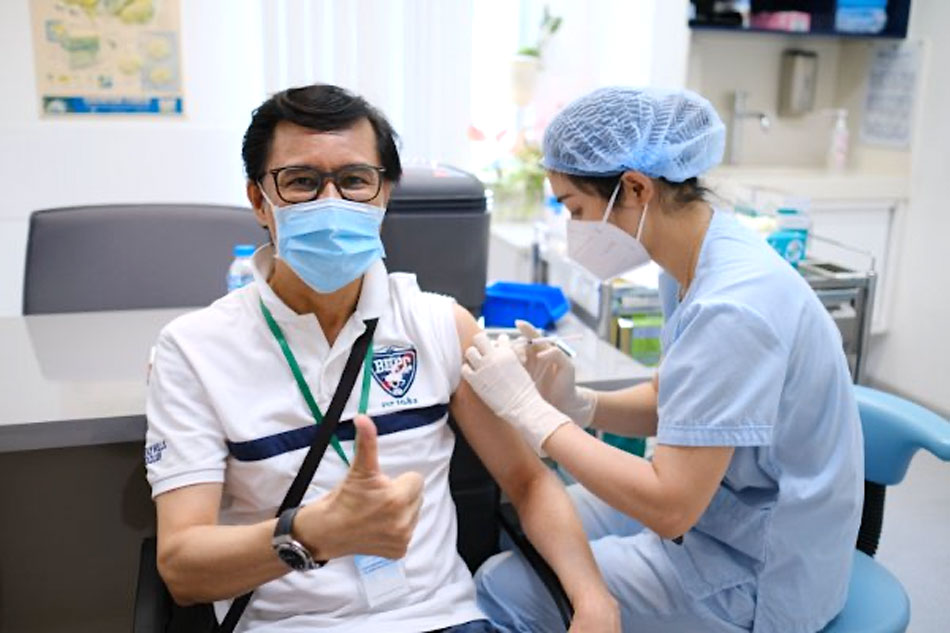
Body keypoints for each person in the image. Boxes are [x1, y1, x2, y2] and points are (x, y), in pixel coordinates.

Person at [144, 84, 619, 633]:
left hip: (443, 620)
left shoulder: (440, 324)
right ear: (258, 201)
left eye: (353, 180)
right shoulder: (195, 350)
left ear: (384, 194)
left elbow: (527, 480)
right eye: (301, 182)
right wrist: (313, 533)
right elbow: (181, 568)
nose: (331, 201)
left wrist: (593, 601)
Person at [464, 87, 864, 633]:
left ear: (634, 188)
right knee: (527, 528)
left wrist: (533, 415)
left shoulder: (733, 306)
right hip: (720, 512)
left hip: (759, 567)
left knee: (499, 586)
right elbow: (672, 399)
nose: (571, 228)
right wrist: (580, 404)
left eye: (575, 209)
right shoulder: (695, 258)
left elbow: (670, 506)